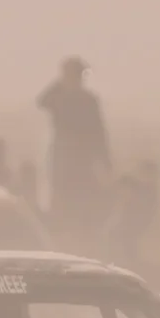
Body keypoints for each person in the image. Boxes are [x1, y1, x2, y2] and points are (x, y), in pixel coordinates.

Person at [37, 56, 113, 245]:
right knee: (62, 206)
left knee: (80, 205)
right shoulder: (60, 99)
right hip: (63, 161)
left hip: (79, 161)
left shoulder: (88, 100)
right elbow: (41, 101)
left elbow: (98, 132)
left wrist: (105, 161)